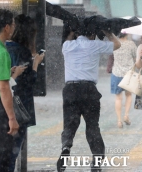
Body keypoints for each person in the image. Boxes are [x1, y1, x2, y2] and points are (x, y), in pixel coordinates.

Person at [56, 21, 121, 172]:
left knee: (69, 125)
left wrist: (72, 31)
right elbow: (117, 45)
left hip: (70, 89)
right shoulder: (95, 45)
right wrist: (106, 30)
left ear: (77, 33)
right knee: (92, 126)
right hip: (89, 90)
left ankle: (66, 147)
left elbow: (69, 38)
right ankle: (96, 161)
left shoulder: (67, 46)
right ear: (92, 34)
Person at [6, 14, 44, 172]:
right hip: (20, 106)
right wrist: (36, 64)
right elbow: (29, 83)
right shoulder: (23, 51)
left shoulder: (4, 48)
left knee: (3, 149)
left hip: (4, 104)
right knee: (12, 151)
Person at [0, 9, 19, 172]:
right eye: (12, 24)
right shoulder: (2, 53)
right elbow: (3, 87)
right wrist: (11, 118)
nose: (14, 27)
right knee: (1, 156)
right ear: (6, 27)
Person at [111, 33, 137, 128]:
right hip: (128, 74)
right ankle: (126, 115)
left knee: (118, 98)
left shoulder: (114, 43)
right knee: (128, 95)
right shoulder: (131, 44)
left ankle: (119, 120)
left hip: (116, 73)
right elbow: (136, 56)